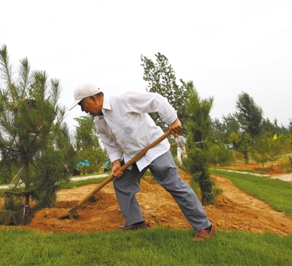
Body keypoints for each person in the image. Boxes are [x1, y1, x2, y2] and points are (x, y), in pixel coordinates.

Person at [68, 82, 215, 241]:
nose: (83, 110)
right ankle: (135, 221)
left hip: (154, 149)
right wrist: (116, 162)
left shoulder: (123, 100)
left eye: (82, 105)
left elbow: (156, 100)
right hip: (133, 156)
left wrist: (172, 120)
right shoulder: (99, 121)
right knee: (122, 183)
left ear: (92, 99)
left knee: (173, 184)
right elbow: (109, 143)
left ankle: (204, 226)